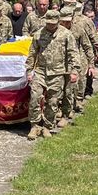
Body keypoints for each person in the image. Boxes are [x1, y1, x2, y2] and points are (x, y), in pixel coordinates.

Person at [26, 10, 78, 140]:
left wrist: (74, 71)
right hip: (41, 71)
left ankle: (47, 126)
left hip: (57, 73)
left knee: (53, 101)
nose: (50, 26)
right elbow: (32, 53)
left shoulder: (66, 34)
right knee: (35, 98)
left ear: (58, 22)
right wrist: (29, 71)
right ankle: (35, 126)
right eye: (48, 23)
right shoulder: (39, 34)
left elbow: (73, 53)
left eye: (53, 24)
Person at [70, 2, 98, 110]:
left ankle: (78, 100)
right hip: (68, 54)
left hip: (81, 53)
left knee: (81, 78)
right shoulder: (63, 20)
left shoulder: (86, 21)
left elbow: (94, 36)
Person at [56, 7, 81, 127]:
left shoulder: (77, 29)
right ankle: (57, 111)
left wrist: (76, 69)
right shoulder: (55, 30)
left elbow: (84, 46)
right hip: (56, 65)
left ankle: (66, 115)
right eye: (63, 21)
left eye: (67, 21)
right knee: (56, 91)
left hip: (70, 65)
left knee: (68, 91)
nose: (65, 23)